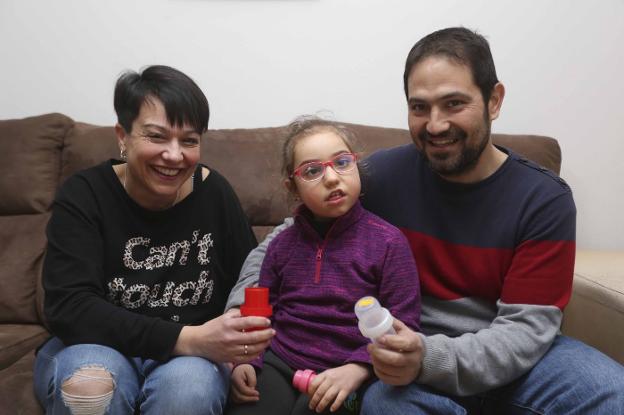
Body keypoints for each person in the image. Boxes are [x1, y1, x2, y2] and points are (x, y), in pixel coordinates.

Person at [226, 28, 624, 414]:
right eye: (420, 107)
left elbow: (523, 334)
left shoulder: (543, 199)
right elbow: (288, 238)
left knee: (611, 393)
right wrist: (239, 326)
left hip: (506, 356)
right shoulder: (381, 175)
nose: (435, 125)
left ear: (494, 100)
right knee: (386, 404)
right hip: (402, 348)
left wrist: (427, 358)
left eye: (454, 103)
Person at [34, 65, 275, 415]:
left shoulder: (214, 193)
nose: (175, 155)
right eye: (157, 136)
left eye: (189, 141)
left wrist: (243, 358)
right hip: (98, 345)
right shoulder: (84, 194)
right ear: (123, 135)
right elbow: (70, 307)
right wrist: (187, 339)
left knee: (188, 394)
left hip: (192, 359)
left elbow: (249, 284)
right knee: (91, 391)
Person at [226, 117, 421, 415]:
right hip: (280, 359)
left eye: (342, 162)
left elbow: (403, 321)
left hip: (347, 366)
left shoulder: (389, 242)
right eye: (313, 171)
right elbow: (260, 308)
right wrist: (245, 358)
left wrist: (358, 368)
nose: (331, 178)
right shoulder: (281, 245)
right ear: (293, 187)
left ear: (356, 166)